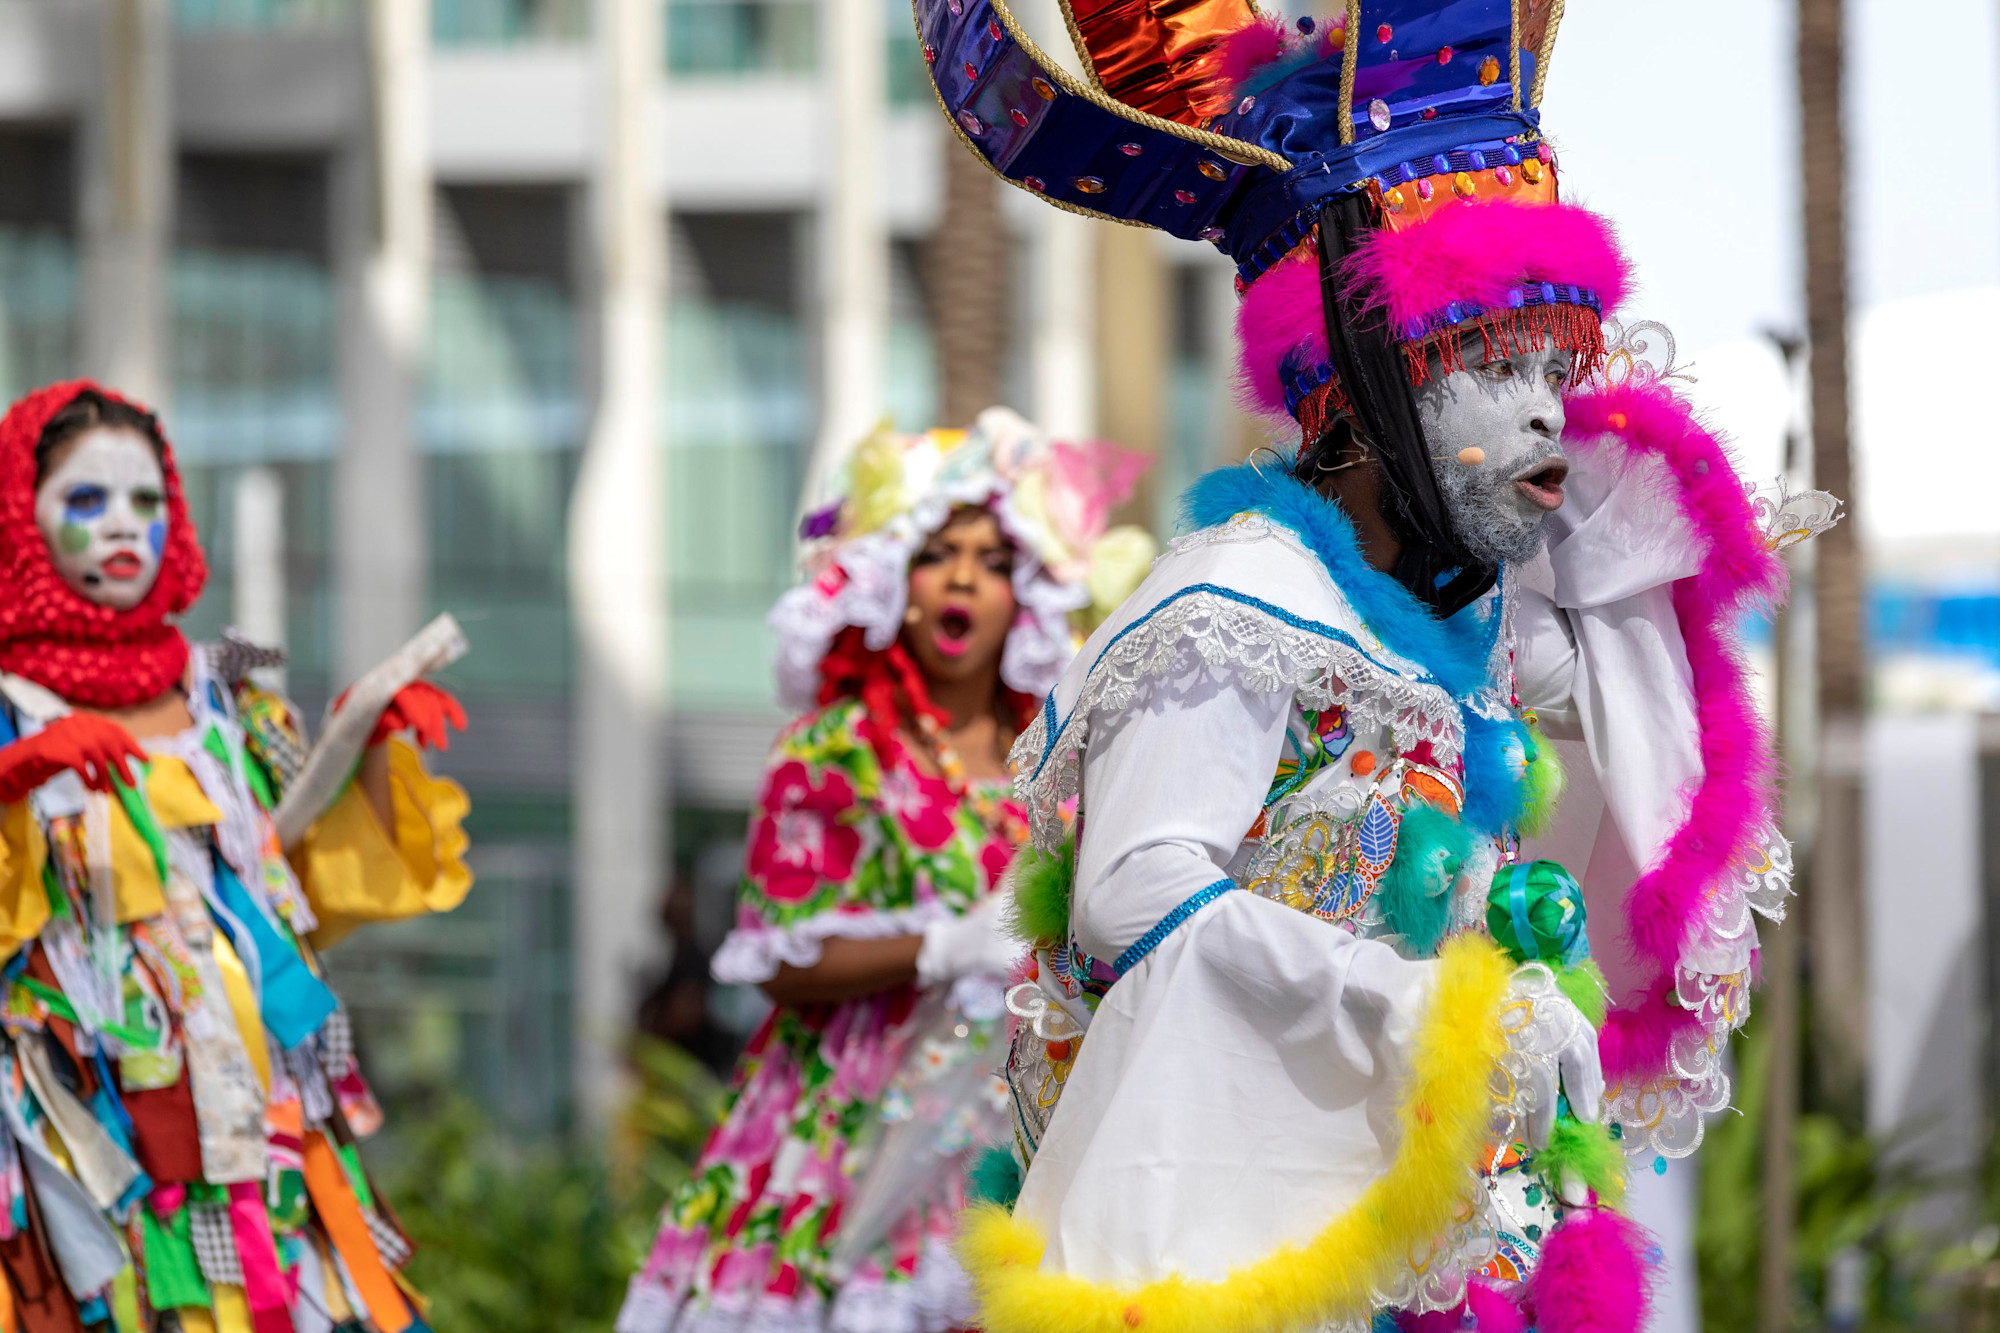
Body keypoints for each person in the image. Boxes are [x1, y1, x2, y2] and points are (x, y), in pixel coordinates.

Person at [915, 6, 1837, 1333]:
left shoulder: (1476, 621)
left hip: (1454, 1241)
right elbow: (1132, 892)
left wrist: (1675, 544)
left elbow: (1632, 712)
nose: (1545, 411)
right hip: (1273, 1253)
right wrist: (1406, 1011)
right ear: (1354, 388)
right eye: (1488, 360)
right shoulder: (1240, 598)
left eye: (1557, 363)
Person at [617, 409, 1156, 1333]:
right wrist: (943, 945)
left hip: (1029, 1105)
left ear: (1025, 594)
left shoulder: (1062, 753)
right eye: (940, 552)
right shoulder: (832, 750)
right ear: (892, 579)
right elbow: (776, 962)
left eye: (994, 561)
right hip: (854, 1123)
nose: (963, 579)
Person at [0, 380, 473, 1331]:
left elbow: (298, 899)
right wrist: (12, 776)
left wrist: (367, 746)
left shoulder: (225, 689)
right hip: (88, 1148)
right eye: (85, 500)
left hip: (259, 1136)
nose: (125, 524)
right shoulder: (7, 699)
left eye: (147, 499)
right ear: (19, 518)